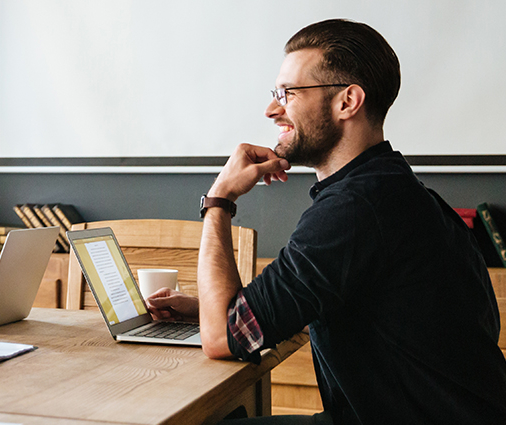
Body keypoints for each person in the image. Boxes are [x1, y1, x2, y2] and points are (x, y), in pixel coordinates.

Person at [147, 19, 506, 424]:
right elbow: (316, 305)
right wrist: (208, 309)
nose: (271, 109)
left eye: (288, 93)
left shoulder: (354, 209)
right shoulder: (394, 191)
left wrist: (220, 199)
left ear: (347, 101)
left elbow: (220, 340)